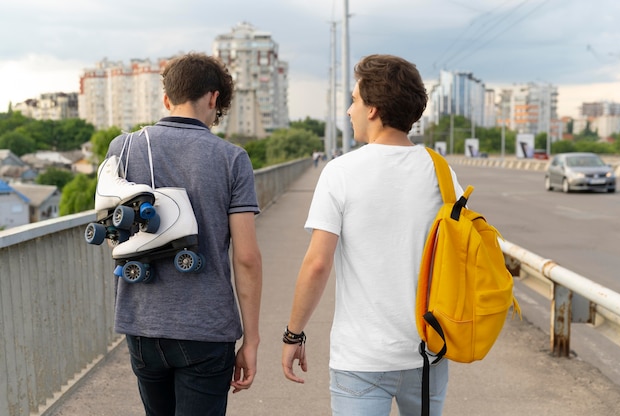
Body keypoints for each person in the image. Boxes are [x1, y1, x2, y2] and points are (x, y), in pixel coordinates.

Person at [281, 54, 464, 416]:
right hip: (429, 350)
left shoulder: (341, 172)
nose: (349, 111)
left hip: (361, 357)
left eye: (354, 100)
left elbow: (318, 263)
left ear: (373, 110)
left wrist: (294, 334)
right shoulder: (441, 173)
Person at [105, 52, 262, 416]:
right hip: (205, 328)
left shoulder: (122, 148)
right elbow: (247, 257)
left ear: (166, 99)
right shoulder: (231, 158)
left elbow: (116, 229)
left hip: (142, 322)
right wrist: (251, 339)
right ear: (213, 98)